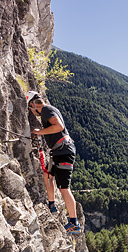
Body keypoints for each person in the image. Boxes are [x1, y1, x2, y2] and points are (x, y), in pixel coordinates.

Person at [26, 90, 81, 234]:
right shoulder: (48, 110)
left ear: (33, 104)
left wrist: (39, 132)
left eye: (30, 109)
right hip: (59, 151)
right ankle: (52, 205)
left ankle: (74, 222)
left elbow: (58, 127)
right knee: (47, 175)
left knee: (64, 188)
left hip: (64, 151)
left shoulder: (46, 110)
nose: (32, 113)